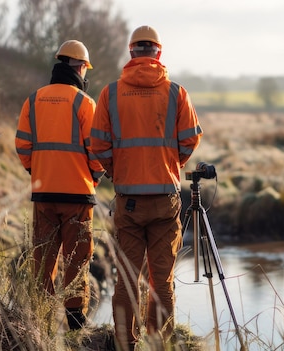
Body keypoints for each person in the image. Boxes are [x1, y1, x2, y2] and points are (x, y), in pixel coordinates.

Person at [91, 25, 203, 350]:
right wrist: (171, 165)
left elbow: (98, 146)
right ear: (158, 53)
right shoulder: (176, 93)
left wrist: (118, 171)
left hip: (128, 202)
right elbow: (190, 139)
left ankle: (126, 344)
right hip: (166, 201)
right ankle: (158, 345)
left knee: (126, 280)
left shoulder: (110, 94)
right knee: (162, 282)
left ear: (131, 53)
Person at [15, 39, 104, 331]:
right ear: (80, 67)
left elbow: (23, 146)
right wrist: (96, 176)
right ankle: (76, 325)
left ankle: (40, 323)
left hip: (43, 194)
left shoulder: (33, 99)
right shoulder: (83, 102)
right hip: (77, 195)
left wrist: (38, 171)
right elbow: (96, 150)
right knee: (77, 260)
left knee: (43, 260)